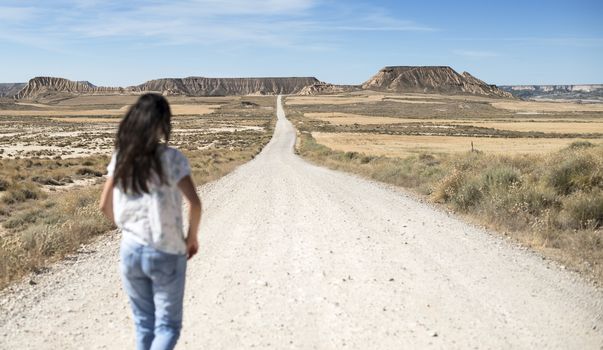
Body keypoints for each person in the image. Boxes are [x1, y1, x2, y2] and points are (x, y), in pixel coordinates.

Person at [99, 93, 202, 350]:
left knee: (144, 324)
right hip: (166, 248)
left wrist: (127, 229)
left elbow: (104, 204)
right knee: (167, 327)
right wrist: (190, 239)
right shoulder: (172, 158)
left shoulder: (122, 156)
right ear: (161, 123)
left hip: (131, 250)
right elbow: (195, 203)